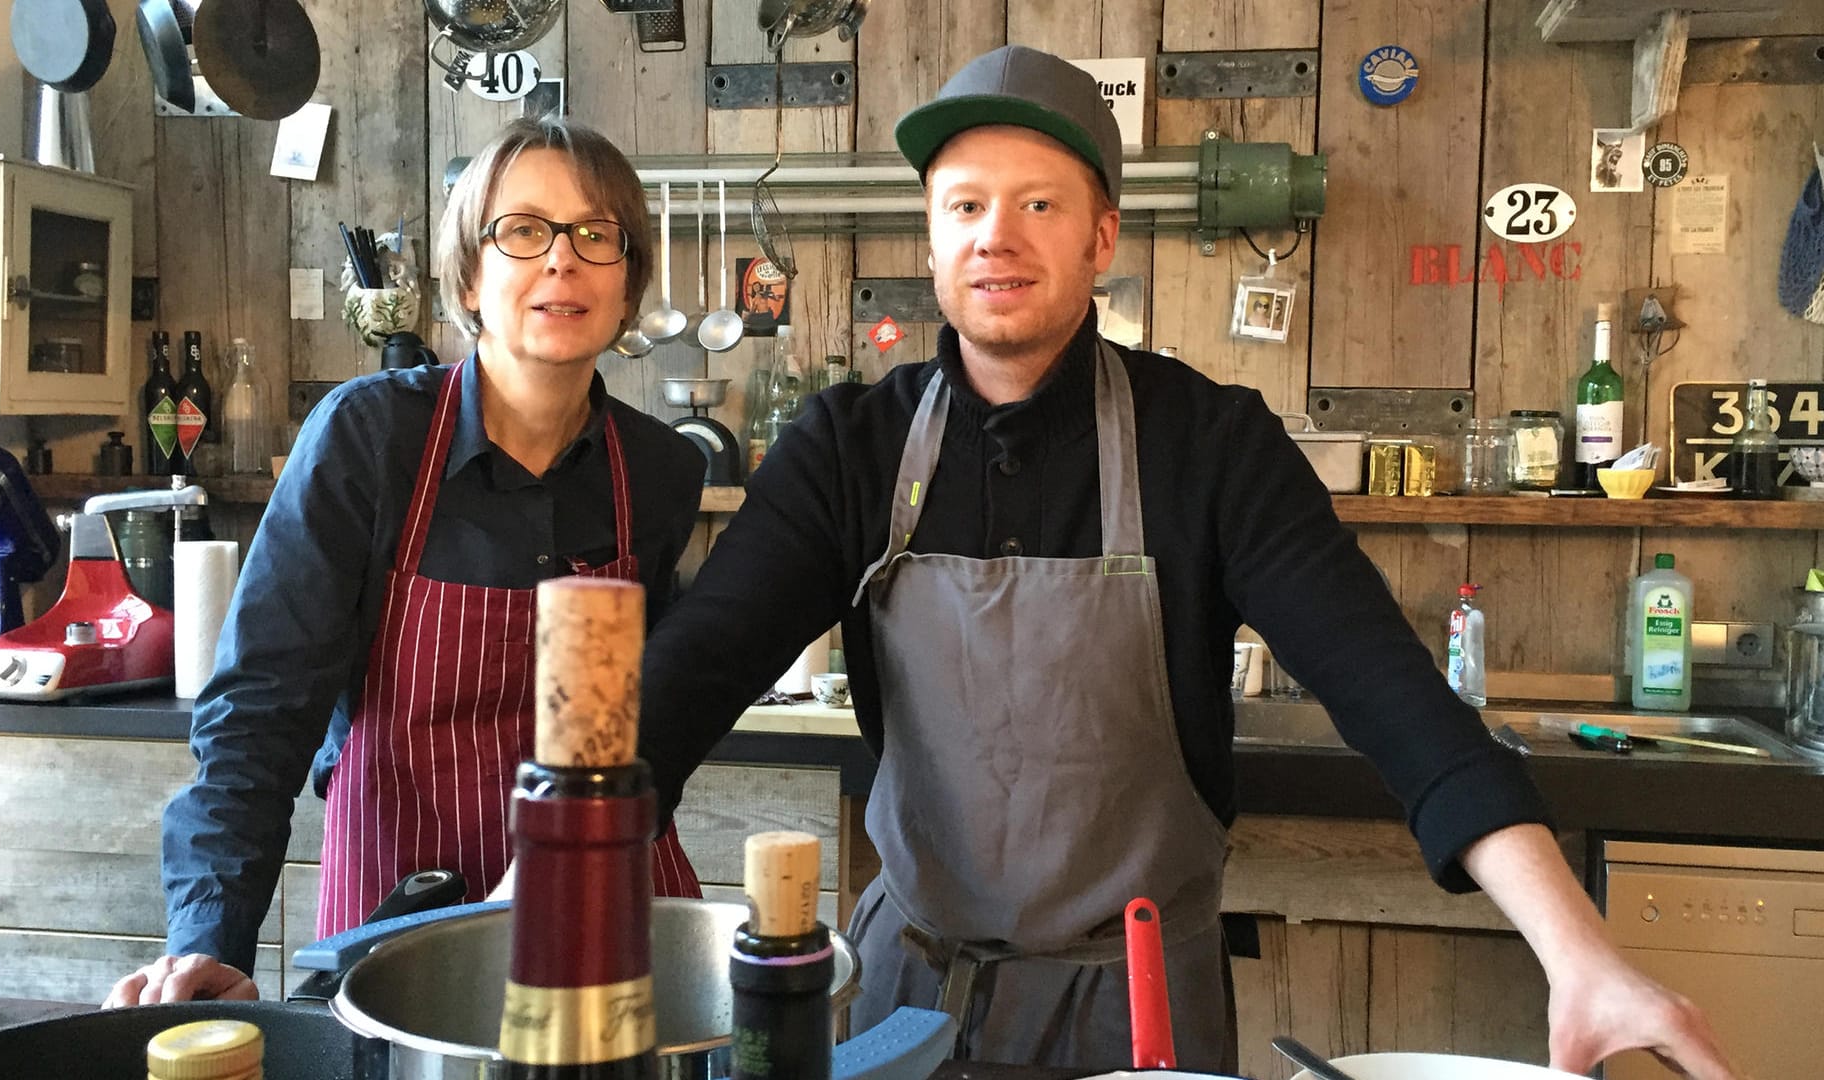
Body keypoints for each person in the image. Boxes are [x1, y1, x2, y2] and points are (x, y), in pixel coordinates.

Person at [635, 45, 1736, 1077]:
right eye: (964, 206)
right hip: (909, 1002)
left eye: (1038, 205)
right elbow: (698, 670)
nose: (995, 236)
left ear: (1101, 240)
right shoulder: (848, 449)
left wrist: (1576, 947)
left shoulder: (1209, 445)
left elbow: (1393, 695)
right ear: (930, 242)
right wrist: (547, 881)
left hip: (1140, 1011)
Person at [107, 117, 707, 1007]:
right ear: (468, 272)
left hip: (602, 910)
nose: (562, 261)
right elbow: (261, 712)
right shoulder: (368, 439)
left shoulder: (659, 472)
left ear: (629, 284)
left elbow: (656, 718)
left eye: (596, 234)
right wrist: (208, 943)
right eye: (523, 230)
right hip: (398, 913)